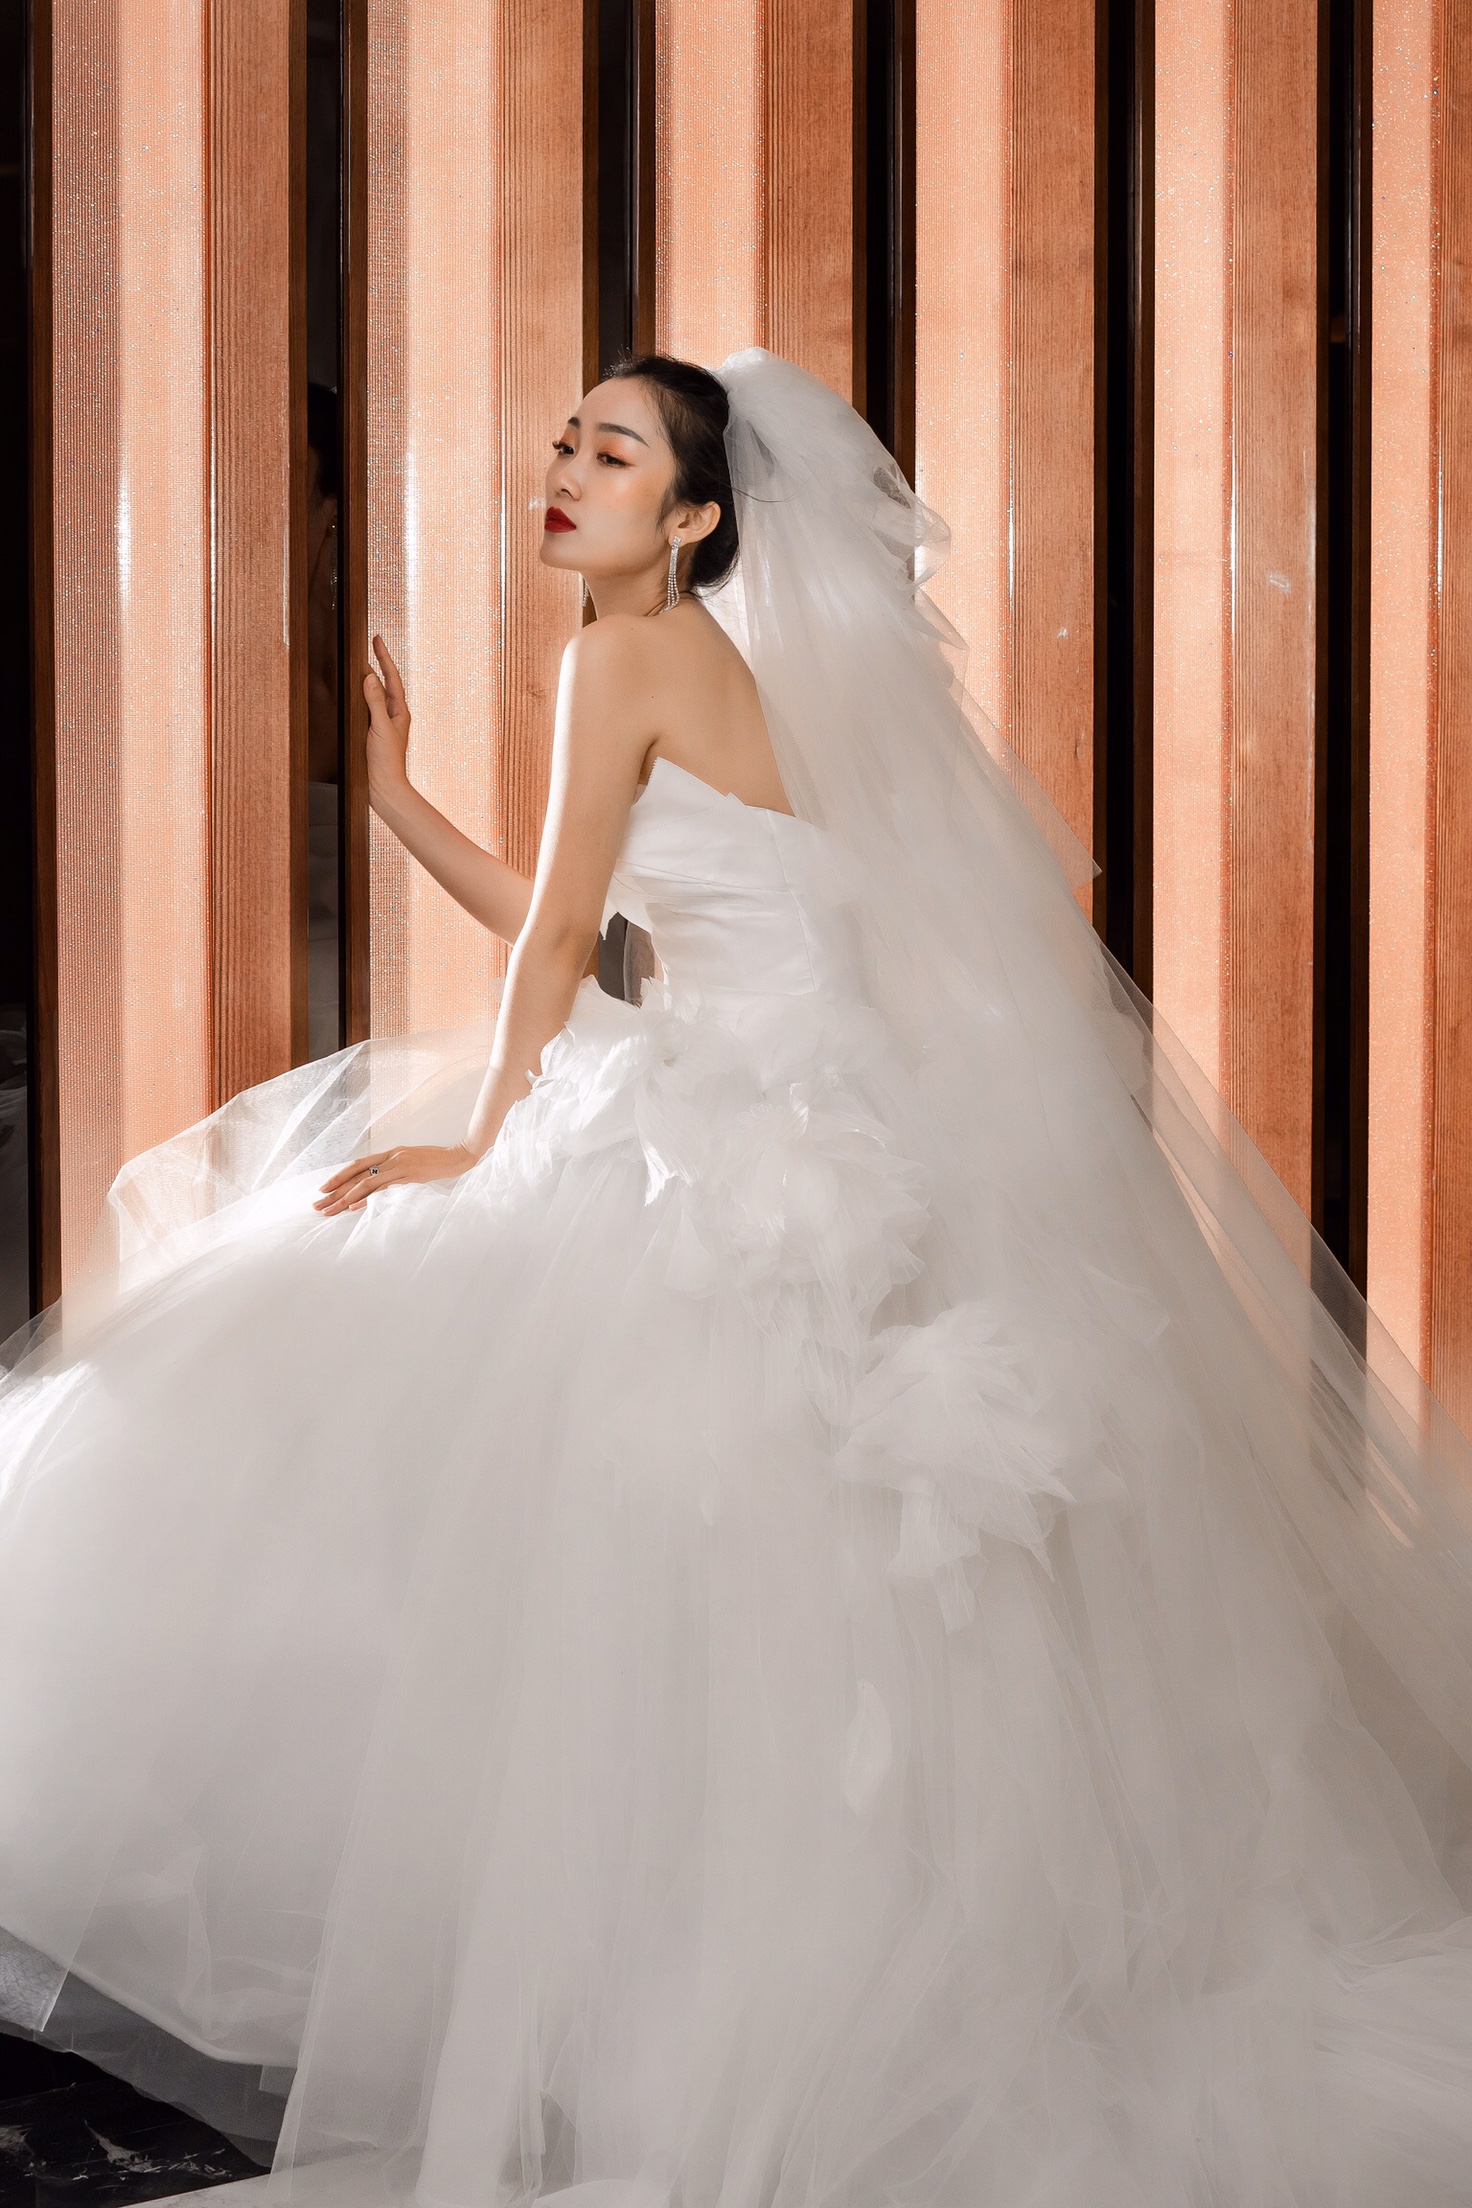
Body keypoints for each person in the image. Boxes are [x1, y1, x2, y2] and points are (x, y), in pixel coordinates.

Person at [2, 349, 1472, 2208]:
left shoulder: (622, 656)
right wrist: (392, 799)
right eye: (566, 439)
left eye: (614, 453)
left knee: (597, 1533)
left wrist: (477, 1134)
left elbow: (562, 937)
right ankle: (819, 2007)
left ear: (696, 515)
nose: (566, 468)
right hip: (825, 1131)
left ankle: (671, 2022)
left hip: (739, 1138)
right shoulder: (722, 670)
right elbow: (589, 915)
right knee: (818, 1603)